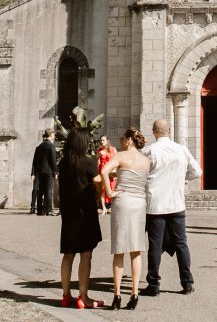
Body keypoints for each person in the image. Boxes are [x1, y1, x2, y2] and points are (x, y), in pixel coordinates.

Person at [140, 118, 201, 297]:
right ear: (169, 130)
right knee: (181, 243)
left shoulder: (149, 151)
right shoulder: (181, 149)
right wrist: (183, 178)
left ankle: (153, 284)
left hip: (155, 204)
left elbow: (140, 172)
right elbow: (197, 171)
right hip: (176, 202)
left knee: (155, 245)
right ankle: (187, 282)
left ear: (154, 131)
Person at [101, 129, 150, 311]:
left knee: (119, 250)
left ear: (129, 140)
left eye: (122, 139)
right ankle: (135, 293)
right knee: (136, 250)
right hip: (139, 203)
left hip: (122, 201)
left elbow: (104, 171)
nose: (121, 142)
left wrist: (110, 192)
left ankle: (117, 295)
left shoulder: (121, 155)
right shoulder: (146, 161)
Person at [57, 128, 104, 308]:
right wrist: (99, 195)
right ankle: (83, 297)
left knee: (68, 254)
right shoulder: (88, 162)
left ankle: (65, 295)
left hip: (68, 213)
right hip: (86, 212)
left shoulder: (64, 163)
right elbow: (98, 182)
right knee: (86, 255)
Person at [31, 128, 57, 216]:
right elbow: (53, 161)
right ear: (51, 135)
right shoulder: (51, 146)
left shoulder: (39, 147)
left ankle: (39, 210)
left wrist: (33, 173)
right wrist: (55, 172)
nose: (54, 137)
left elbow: (34, 161)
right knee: (49, 190)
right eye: (53, 135)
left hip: (40, 172)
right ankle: (49, 210)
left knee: (40, 191)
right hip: (49, 171)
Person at [97, 134, 117, 214]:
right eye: (101, 140)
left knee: (112, 188)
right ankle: (104, 208)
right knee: (102, 190)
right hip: (102, 172)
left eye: (103, 140)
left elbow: (116, 162)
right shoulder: (99, 150)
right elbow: (98, 162)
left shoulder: (113, 149)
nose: (102, 142)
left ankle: (112, 207)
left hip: (111, 172)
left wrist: (115, 173)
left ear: (107, 141)